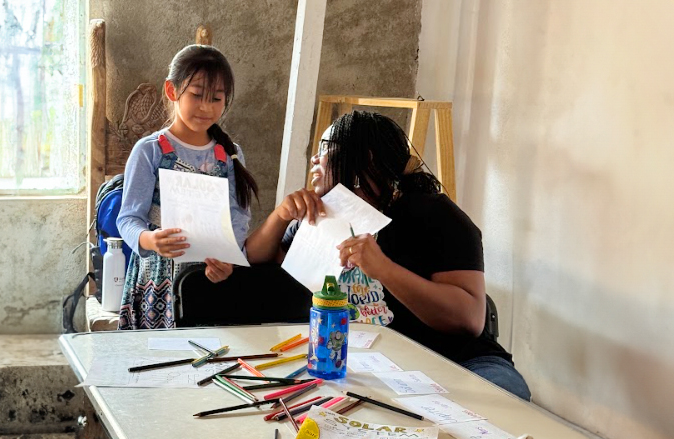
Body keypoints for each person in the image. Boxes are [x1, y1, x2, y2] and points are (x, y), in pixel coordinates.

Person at [245, 111, 531, 401]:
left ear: (365, 158)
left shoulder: (436, 215)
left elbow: (469, 318)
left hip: (459, 361)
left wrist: (384, 269)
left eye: (325, 148)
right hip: (373, 364)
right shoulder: (323, 213)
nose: (314, 160)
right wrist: (280, 216)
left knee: (503, 397)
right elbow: (255, 258)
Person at [116, 45, 258, 330]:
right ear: (172, 91)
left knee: (205, 362)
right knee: (157, 364)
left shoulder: (229, 155)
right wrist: (150, 240)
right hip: (156, 280)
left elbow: (238, 219)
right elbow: (128, 219)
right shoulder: (150, 150)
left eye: (217, 98)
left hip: (209, 278)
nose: (206, 107)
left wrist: (229, 260)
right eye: (196, 95)